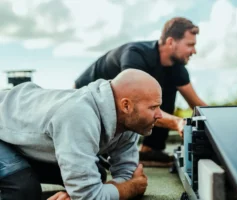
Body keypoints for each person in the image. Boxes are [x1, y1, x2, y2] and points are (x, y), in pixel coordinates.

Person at [0, 69, 162, 200]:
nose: (160, 115)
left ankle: (22, 170)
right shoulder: (79, 115)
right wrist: (128, 190)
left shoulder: (128, 122)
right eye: (153, 107)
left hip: (21, 138)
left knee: (96, 174)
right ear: (126, 105)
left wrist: (88, 192)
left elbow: (127, 175)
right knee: (23, 190)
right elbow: (124, 186)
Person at [74, 17, 207, 167]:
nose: (194, 51)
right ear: (170, 42)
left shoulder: (177, 68)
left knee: (166, 88)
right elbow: (135, 103)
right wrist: (177, 122)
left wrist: (220, 123)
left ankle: (149, 150)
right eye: (190, 45)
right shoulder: (135, 55)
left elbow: (196, 104)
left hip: (119, 103)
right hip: (85, 97)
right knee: (141, 99)